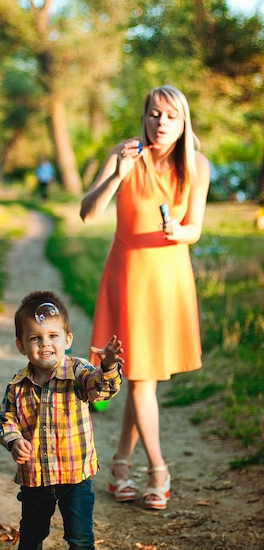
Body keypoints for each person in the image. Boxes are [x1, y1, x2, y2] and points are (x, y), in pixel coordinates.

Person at [79, 85, 210, 511]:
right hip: (129, 274)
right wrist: (117, 173)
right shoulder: (125, 154)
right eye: (154, 114)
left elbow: (195, 229)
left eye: (171, 116)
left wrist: (179, 232)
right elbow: (88, 212)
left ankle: (119, 466)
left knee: (143, 378)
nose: (161, 123)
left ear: (183, 120)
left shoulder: (197, 164)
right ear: (145, 115)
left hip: (169, 277)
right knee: (140, 378)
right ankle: (158, 469)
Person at [0, 290, 123, 550]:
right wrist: (13, 440)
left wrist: (108, 366)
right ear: (20, 345)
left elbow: (101, 389)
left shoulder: (79, 372)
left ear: (67, 339)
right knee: (32, 530)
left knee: (79, 537)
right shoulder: (17, 385)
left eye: (53, 336)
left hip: (75, 476)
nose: (45, 344)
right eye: (35, 337)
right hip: (35, 476)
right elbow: (5, 420)